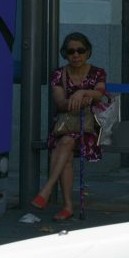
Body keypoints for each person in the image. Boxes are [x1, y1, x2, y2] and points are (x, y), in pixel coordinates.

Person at [31, 32, 106, 221]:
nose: (76, 55)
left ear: (88, 52)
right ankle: (65, 205)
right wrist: (79, 100)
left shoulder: (97, 72)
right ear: (65, 53)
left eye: (80, 50)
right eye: (71, 51)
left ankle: (49, 190)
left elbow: (99, 94)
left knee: (65, 144)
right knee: (65, 145)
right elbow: (60, 103)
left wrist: (80, 92)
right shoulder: (59, 74)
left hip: (89, 128)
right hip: (65, 126)